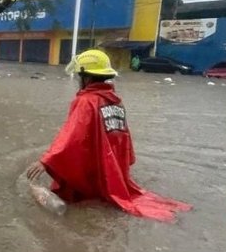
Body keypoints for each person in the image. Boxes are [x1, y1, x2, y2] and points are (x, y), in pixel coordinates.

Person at [25, 49, 191, 221]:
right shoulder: (115, 100)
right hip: (112, 169)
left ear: (86, 77)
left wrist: (47, 160)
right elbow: (123, 139)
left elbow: (72, 137)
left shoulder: (86, 101)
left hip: (96, 170)